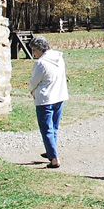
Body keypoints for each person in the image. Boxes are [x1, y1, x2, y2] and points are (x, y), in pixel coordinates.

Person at [28, 35, 69, 168]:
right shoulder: (58, 58)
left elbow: (33, 82)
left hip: (45, 99)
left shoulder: (41, 64)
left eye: (34, 50)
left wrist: (32, 90)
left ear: (39, 49)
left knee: (46, 128)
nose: (33, 53)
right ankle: (51, 150)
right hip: (59, 96)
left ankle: (54, 159)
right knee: (54, 127)